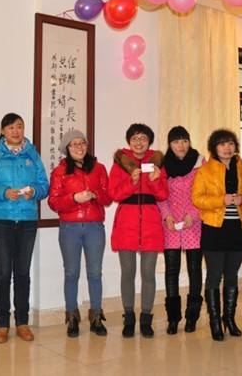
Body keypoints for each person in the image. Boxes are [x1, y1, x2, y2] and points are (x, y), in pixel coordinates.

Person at [0, 113, 49, 344]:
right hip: (1, 221)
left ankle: (22, 323)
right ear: (3, 131)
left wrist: (33, 192)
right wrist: (3, 192)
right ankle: (2, 325)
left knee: (23, 273)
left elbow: (44, 185)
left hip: (27, 220)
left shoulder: (32, 154)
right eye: (10, 127)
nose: (15, 131)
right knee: (3, 273)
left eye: (19, 127)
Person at [191, 129, 242, 341]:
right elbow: (197, 198)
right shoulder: (204, 171)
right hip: (214, 229)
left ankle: (229, 318)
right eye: (222, 144)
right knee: (214, 276)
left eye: (230, 143)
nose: (227, 148)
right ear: (214, 148)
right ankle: (214, 322)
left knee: (231, 276)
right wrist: (221, 200)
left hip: (237, 229)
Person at [48, 129, 112, 338]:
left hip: (94, 227)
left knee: (95, 273)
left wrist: (95, 195)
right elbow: (53, 202)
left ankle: (96, 316)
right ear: (67, 148)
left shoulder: (99, 168)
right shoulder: (59, 172)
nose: (79, 147)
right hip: (70, 228)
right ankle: (72, 317)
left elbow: (108, 197)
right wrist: (74, 198)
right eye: (74, 144)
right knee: (71, 273)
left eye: (82, 143)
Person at [109, 123, 169, 338]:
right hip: (126, 223)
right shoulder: (120, 163)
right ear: (129, 141)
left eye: (143, 138)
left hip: (151, 223)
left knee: (148, 274)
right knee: (128, 273)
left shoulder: (158, 163)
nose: (139, 142)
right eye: (135, 138)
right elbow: (114, 194)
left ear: (149, 141)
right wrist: (132, 181)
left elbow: (163, 195)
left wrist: (154, 181)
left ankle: (146, 319)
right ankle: (128, 318)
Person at [158, 126, 205, 335]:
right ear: (170, 144)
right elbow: (160, 195)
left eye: (184, 140)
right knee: (171, 272)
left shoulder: (200, 163)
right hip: (170, 225)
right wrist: (166, 215)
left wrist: (192, 215)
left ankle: (192, 316)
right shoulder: (163, 166)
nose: (181, 145)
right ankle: (173, 317)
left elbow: (204, 192)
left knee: (195, 270)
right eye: (176, 141)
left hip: (194, 224)